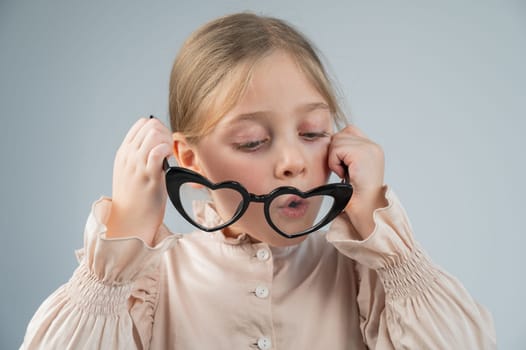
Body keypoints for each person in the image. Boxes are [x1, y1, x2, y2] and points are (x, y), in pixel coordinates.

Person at [21, 12, 496, 349]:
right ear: (191, 159)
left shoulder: (368, 278)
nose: (293, 161)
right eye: (251, 141)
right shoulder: (152, 285)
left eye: (312, 132)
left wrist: (379, 226)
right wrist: (120, 241)